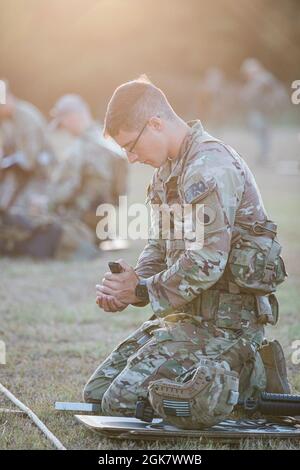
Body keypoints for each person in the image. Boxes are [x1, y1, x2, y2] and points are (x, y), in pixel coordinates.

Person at [83, 76, 289, 429]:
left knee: (119, 403)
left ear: (156, 124)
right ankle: (207, 379)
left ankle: (245, 374)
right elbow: (159, 245)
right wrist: (130, 287)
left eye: (131, 147)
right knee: (98, 393)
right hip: (188, 318)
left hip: (227, 326)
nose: (131, 159)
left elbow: (207, 263)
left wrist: (144, 290)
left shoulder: (209, 166)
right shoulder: (167, 170)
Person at [48, 94, 128, 240]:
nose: (64, 128)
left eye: (63, 123)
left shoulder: (79, 149)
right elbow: (120, 190)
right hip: (103, 220)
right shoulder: (108, 141)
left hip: (80, 222)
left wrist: (48, 202)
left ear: (70, 119)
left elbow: (66, 191)